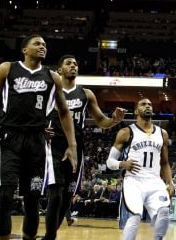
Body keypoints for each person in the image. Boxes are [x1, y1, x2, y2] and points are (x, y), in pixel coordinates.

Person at [0, 34, 77, 240]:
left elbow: (65, 112)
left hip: (37, 142)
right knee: (5, 195)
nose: (42, 47)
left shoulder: (52, 77)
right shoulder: (8, 68)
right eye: (37, 44)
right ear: (25, 49)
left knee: (32, 197)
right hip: (9, 139)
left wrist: (72, 145)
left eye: (45, 45)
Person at [42, 55, 126, 240]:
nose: (73, 66)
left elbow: (101, 121)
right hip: (53, 145)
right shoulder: (50, 90)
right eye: (68, 63)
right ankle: (49, 236)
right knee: (55, 194)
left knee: (67, 196)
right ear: (59, 70)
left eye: (75, 63)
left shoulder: (86, 94)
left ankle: (49, 235)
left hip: (76, 148)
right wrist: (41, 128)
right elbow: (35, 111)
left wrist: (114, 120)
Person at [106, 97, 174, 240]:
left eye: (150, 104)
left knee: (164, 213)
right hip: (133, 181)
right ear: (136, 111)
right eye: (143, 104)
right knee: (135, 217)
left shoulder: (163, 134)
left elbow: (165, 163)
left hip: (155, 180)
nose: (148, 106)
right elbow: (110, 162)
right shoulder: (126, 132)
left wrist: (170, 182)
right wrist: (123, 164)